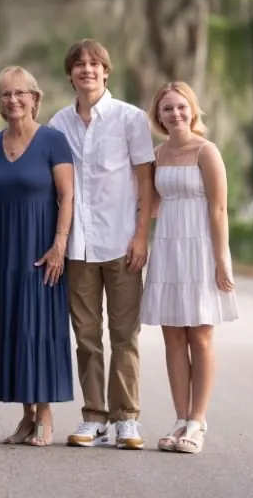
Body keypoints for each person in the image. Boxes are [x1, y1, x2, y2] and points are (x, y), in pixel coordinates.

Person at [49, 39, 154, 450]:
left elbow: (145, 181)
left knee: (125, 333)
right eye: (79, 64)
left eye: (95, 64)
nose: (87, 70)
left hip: (122, 242)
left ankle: (127, 418)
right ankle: (94, 416)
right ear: (70, 73)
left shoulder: (130, 119)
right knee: (87, 335)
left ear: (106, 72)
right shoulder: (58, 124)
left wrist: (142, 235)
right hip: (79, 247)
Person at [0, 67, 74, 446]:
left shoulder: (53, 141)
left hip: (42, 247)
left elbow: (67, 196)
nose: (13, 100)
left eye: (20, 93)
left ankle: (45, 414)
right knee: (12, 326)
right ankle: (26, 416)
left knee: (40, 327)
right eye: (5, 95)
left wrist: (59, 244)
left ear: (35, 98)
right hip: (4, 252)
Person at [141, 81, 238, 454]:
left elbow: (218, 209)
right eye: (168, 109)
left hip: (200, 248)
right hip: (167, 247)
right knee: (174, 338)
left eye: (181, 107)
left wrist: (220, 260)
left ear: (192, 110)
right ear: (159, 116)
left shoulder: (206, 151)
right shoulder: (158, 155)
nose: (175, 114)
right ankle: (180, 419)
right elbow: (148, 205)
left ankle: (197, 422)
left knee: (200, 337)